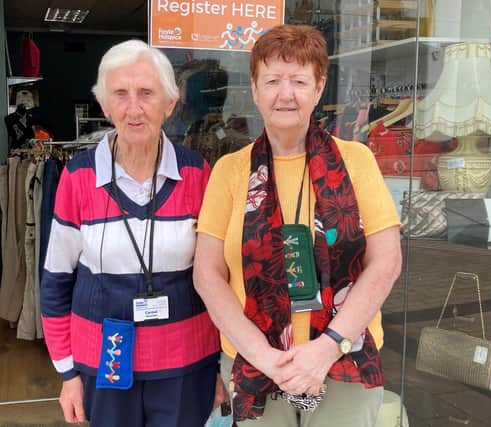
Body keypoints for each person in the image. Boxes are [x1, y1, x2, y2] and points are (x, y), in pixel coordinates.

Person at [194, 24, 402, 426]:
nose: (285, 93)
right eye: (271, 80)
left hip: (345, 361)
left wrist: (326, 348)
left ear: (319, 87)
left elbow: (386, 263)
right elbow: (207, 274)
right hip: (257, 366)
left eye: (299, 80)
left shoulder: (356, 161)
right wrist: (265, 357)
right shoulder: (230, 171)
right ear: (255, 89)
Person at [40, 39, 226, 427]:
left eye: (146, 93)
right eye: (120, 94)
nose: (134, 108)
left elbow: (219, 280)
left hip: (187, 365)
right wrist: (68, 374)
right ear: (105, 105)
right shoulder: (78, 177)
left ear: (169, 104)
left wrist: (221, 367)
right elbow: (56, 281)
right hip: (104, 364)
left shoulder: (198, 174)